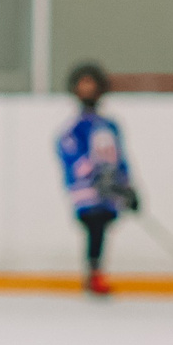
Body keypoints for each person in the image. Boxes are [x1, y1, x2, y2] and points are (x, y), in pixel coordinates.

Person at [56, 62, 137, 296]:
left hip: (109, 191)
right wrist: (91, 173)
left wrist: (126, 186)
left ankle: (96, 273)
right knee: (95, 226)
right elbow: (70, 154)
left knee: (102, 228)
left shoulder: (109, 125)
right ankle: (94, 275)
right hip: (88, 191)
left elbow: (120, 158)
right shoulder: (74, 128)